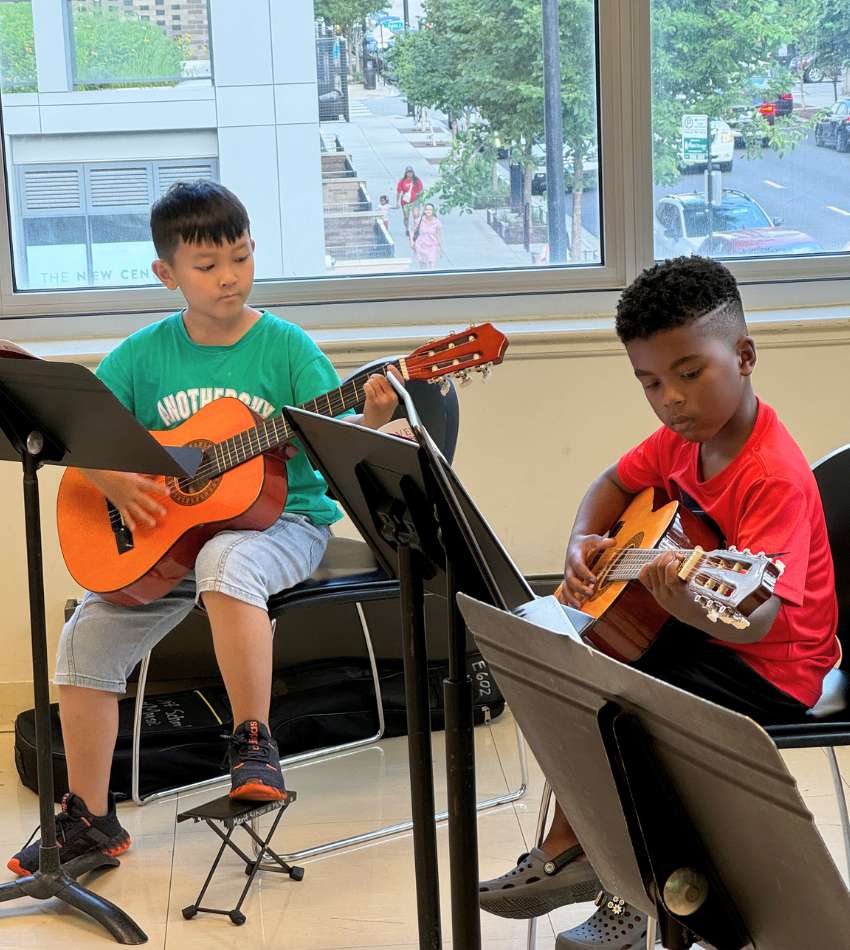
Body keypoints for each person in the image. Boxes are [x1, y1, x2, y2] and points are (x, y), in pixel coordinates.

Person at [7, 180, 399, 877]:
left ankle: (253, 744)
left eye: (241, 258)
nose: (229, 277)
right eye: (209, 265)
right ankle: (89, 818)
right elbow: (76, 428)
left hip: (285, 522)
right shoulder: (144, 354)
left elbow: (330, 451)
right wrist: (112, 482)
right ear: (167, 273)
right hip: (168, 537)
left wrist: (369, 419)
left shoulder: (287, 348)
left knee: (226, 559)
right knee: (84, 636)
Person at [479, 256, 840, 949]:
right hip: (698, 630)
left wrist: (684, 608)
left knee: (626, 718)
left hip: (774, 664)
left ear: (744, 356)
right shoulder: (681, 441)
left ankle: (641, 895)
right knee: (568, 673)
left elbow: (758, 617)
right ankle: (582, 853)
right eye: (650, 382)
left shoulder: (772, 476)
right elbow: (612, 483)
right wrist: (583, 541)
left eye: (689, 373)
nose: (671, 399)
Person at [410, 202, 443, 270]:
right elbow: (412, 231)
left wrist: (440, 248)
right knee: (422, 265)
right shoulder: (419, 220)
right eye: (427, 209)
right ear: (424, 211)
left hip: (432, 245)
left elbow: (438, 235)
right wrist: (412, 242)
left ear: (433, 211)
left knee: (431, 262)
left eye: (430, 209)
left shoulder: (437, 222)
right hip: (421, 245)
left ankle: (431, 276)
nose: (428, 211)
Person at [395, 165, 423, 235]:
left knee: (416, 215)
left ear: (413, 172)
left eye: (411, 172)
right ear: (406, 173)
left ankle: (415, 229)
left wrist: (419, 195)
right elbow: (398, 191)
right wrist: (397, 202)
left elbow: (421, 190)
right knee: (406, 217)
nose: (410, 173)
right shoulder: (402, 181)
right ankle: (407, 229)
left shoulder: (417, 180)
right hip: (405, 202)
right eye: (408, 172)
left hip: (415, 201)